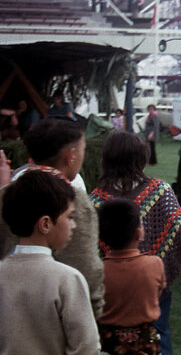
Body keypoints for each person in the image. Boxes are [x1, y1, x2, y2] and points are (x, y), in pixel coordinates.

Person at [90, 131, 181, 355]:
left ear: (107, 160)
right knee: (159, 339)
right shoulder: (160, 191)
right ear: (141, 158)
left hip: (110, 285)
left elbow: (92, 248)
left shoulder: (96, 200)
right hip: (152, 284)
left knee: (110, 345)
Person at [0, 118, 105, 318]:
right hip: (53, 319)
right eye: (82, 149)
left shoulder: (4, 195)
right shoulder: (74, 202)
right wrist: (94, 312)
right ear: (71, 155)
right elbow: (84, 267)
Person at [0, 170, 100, 355]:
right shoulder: (67, 280)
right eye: (70, 217)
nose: (73, 225)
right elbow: (86, 352)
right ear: (45, 224)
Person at [97, 198, 166, 355]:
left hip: (107, 345)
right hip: (144, 345)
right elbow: (157, 293)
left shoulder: (98, 271)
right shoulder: (154, 264)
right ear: (138, 234)